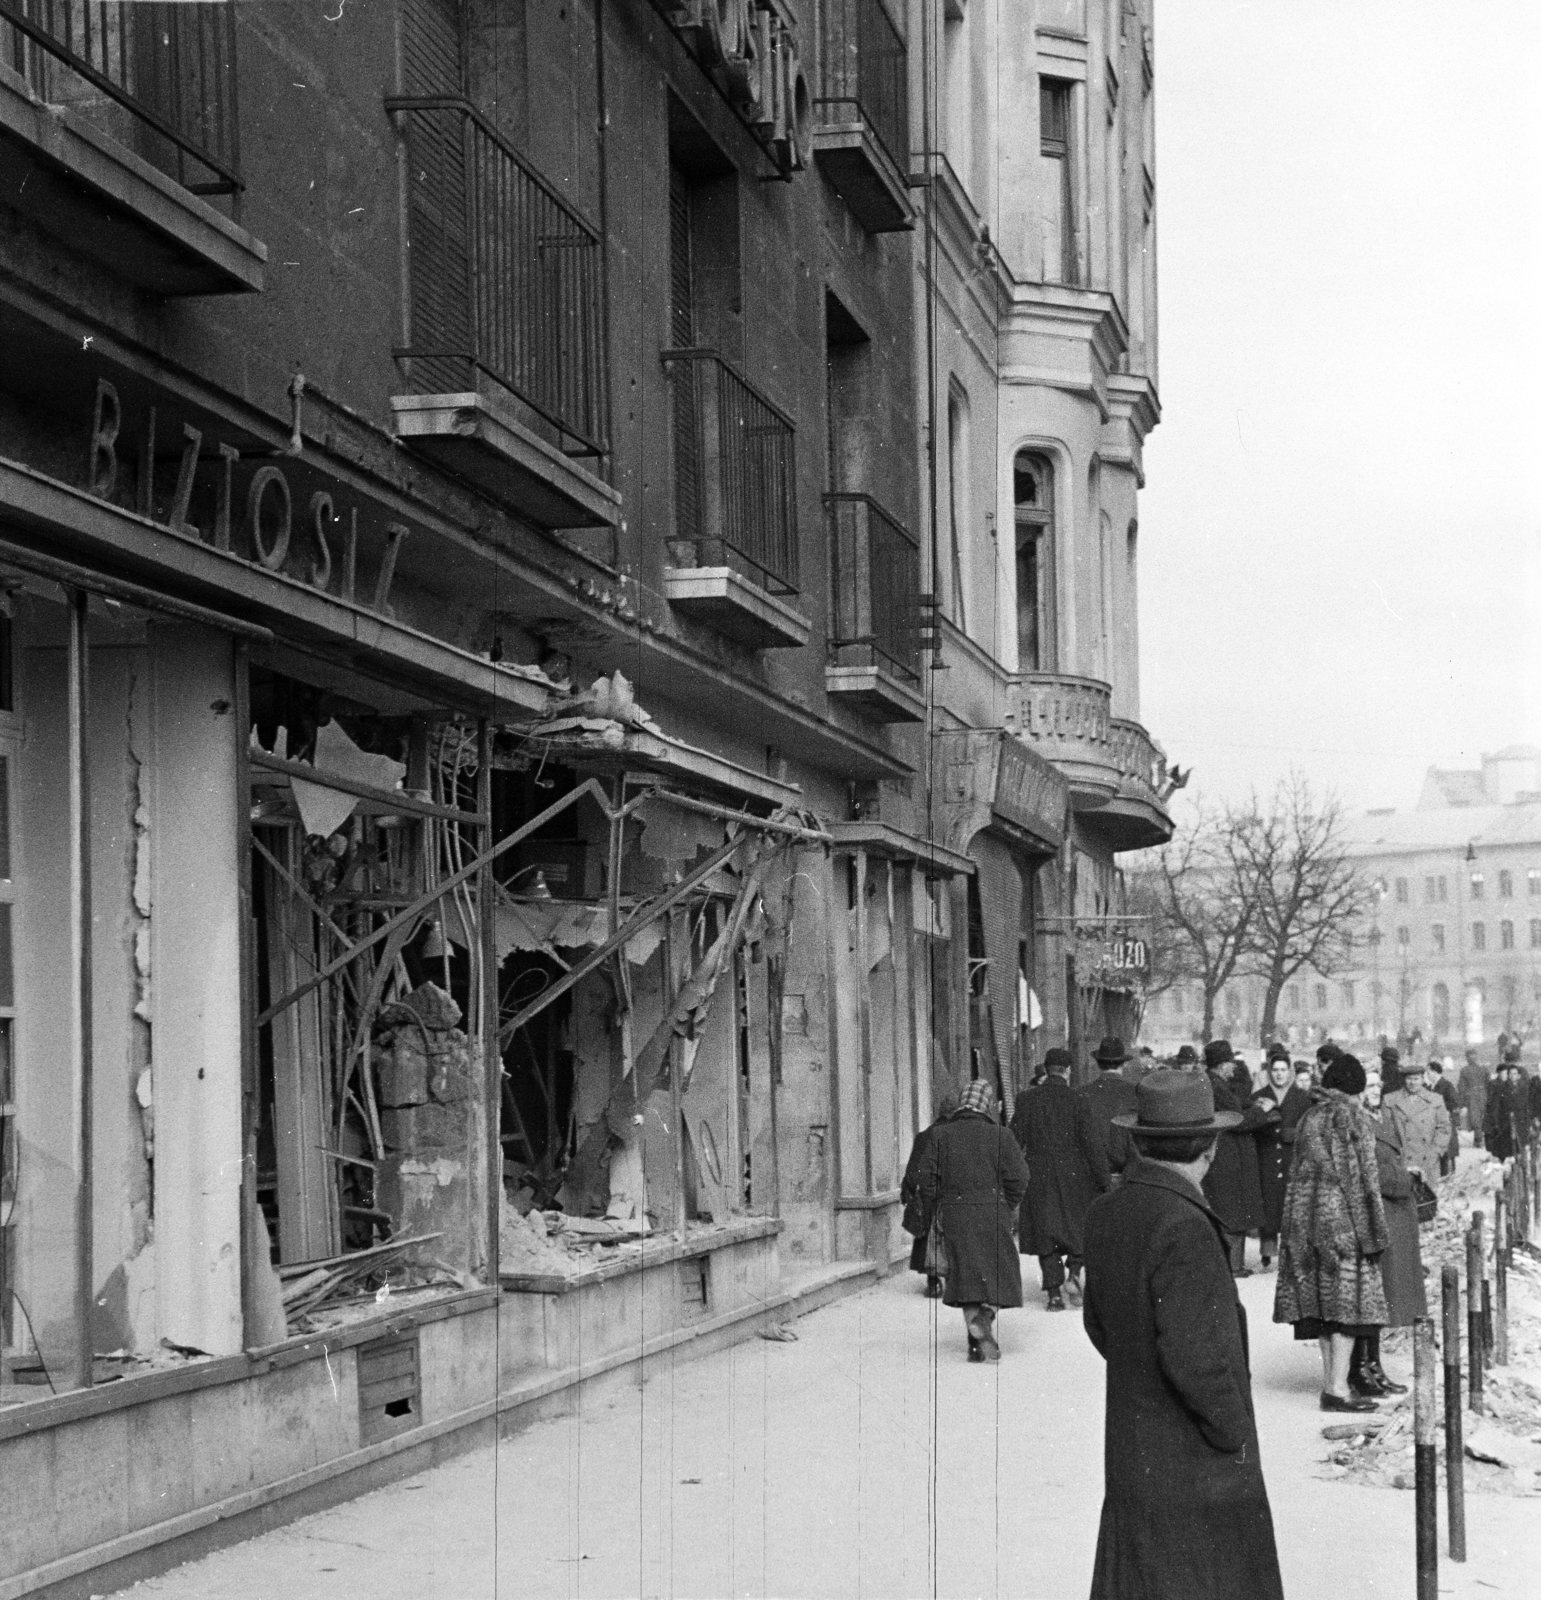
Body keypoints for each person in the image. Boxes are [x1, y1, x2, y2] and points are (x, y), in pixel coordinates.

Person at [1082, 1071, 1285, 1600]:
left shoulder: (1107, 1212)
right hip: (1192, 1457)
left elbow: (1098, 1324)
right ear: (1211, 1148)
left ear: (1138, 1139)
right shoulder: (1185, 1224)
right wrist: (1232, 1431)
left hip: (1132, 1442)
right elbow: (1198, 1358)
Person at [1273, 1054, 1389, 1413]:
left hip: (1307, 1223)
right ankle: (1337, 1389)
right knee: (1347, 1310)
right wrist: (1374, 1234)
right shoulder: (1351, 1117)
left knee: (1322, 1309)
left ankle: (1331, 1382)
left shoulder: (1311, 1115)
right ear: (1354, 1089)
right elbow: (1362, 1181)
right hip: (1341, 1227)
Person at [916, 1077, 1030, 1362]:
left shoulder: (940, 1135)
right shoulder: (1002, 1135)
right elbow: (1020, 1176)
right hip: (993, 1211)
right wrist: (1008, 1204)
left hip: (955, 1212)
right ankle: (987, 1316)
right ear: (987, 1106)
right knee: (1000, 1271)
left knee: (965, 1274)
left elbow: (924, 1177)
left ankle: (975, 1343)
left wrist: (939, 1202)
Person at [1011, 1046, 1111, 1311]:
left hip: (1039, 1176)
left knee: (1046, 1233)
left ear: (1045, 1069)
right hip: (1077, 1177)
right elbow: (1091, 1144)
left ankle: (1054, 1294)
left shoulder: (1026, 1100)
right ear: (1068, 1071)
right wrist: (1104, 1180)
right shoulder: (1079, 1100)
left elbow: (1013, 1142)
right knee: (1078, 1228)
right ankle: (1075, 1275)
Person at [1352, 1069, 1423, 1398]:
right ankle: (1363, 1367)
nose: (1377, 1090)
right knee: (1374, 1294)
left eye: (1380, 1084)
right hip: (1378, 1211)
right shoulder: (1358, 1121)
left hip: (1394, 1212)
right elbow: (1372, 1171)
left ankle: (1373, 1365)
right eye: (1370, 1085)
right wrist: (1404, 1179)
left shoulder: (1384, 1116)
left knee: (1383, 1295)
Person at [1201, 1040, 1269, 1276]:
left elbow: (1233, 1105)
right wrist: (1263, 1111)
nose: (1234, 1066)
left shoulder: (1212, 1082)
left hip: (1224, 1155)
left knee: (1229, 1208)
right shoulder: (1216, 1086)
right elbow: (1237, 1119)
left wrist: (1251, 1103)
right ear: (1221, 1065)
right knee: (1231, 1210)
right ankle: (1233, 1266)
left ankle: (1234, 1265)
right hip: (1228, 1156)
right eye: (1230, 1062)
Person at [1252, 1048, 1312, 1269]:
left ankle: (1291, 1252)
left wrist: (1296, 1134)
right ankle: (1267, 1251)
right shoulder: (1258, 1097)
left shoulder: (1301, 1098)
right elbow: (1251, 1126)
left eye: (1283, 1070)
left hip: (1291, 1158)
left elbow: (1310, 1128)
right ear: (1269, 1072)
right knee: (1268, 1202)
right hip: (1267, 1155)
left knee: (1290, 1204)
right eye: (1275, 1070)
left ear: (1290, 1072)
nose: (1279, 1074)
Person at [900, 1089, 960, 1296]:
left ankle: (933, 1283)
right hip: (953, 1195)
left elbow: (913, 1169)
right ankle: (954, 1280)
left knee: (928, 1239)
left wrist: (909, 1191)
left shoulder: (925, 1135)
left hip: (929, 1196)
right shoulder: (961, 1135)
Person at [1383, 1059, 1452, 1203]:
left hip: (1428, 1161)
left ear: (1422, 1079)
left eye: (1416, 1079)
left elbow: (1444, 1129)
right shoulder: (1390, 1100)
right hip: (1402, 1163)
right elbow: (1386, 1132)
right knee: (1403, 1205)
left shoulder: (1435, 1100)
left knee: (1427, 1205)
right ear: (1404, 1080)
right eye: (1409, 1079)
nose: (1413, 1083)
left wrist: (1435, 1152)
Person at [1079, 1036, 1140, 1179]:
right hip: (1127, 1176)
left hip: (1090, 1177)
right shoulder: (1136, 1093)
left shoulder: (1081, 1094)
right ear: (1123, 1064)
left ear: (1098, 1063)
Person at [1424, 1059, 1461, 1176]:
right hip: (1435, 1125)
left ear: (1435, 1072)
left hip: (1446, 1124)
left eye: (1428, 1072)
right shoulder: (1430, 1087)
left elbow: (1454, 1103)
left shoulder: (1446, 1085)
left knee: (1448, 1153)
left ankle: (1449, 1178)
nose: (1427, 1075)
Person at [1484, 1062, 1526, 1161]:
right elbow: (1495, 1106)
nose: (1512, 1076)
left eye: (1514, 1073)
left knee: (1521, 1152)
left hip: (1520, 1124)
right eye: (1509, 1073)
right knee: (1506, 1152)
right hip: (1505, 1124)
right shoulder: (1501, 1088)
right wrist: (1495, 1123)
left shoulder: (1523, 1088)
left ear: (1519, 1075)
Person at [1458, 1047, 1491, 1149]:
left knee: (1476, 1118)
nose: (1472, 1058)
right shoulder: (1483, 1068)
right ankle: (1480, 1139)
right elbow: (1488, 1083)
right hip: (1482, 1094)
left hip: (1473, 1095)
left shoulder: (1465, 1070)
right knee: (1482, 1117)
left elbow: (1461, 1087)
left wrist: (1462, 1101)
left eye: (1472, 1056)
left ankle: (1479, 1140)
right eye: (1470, 1056)